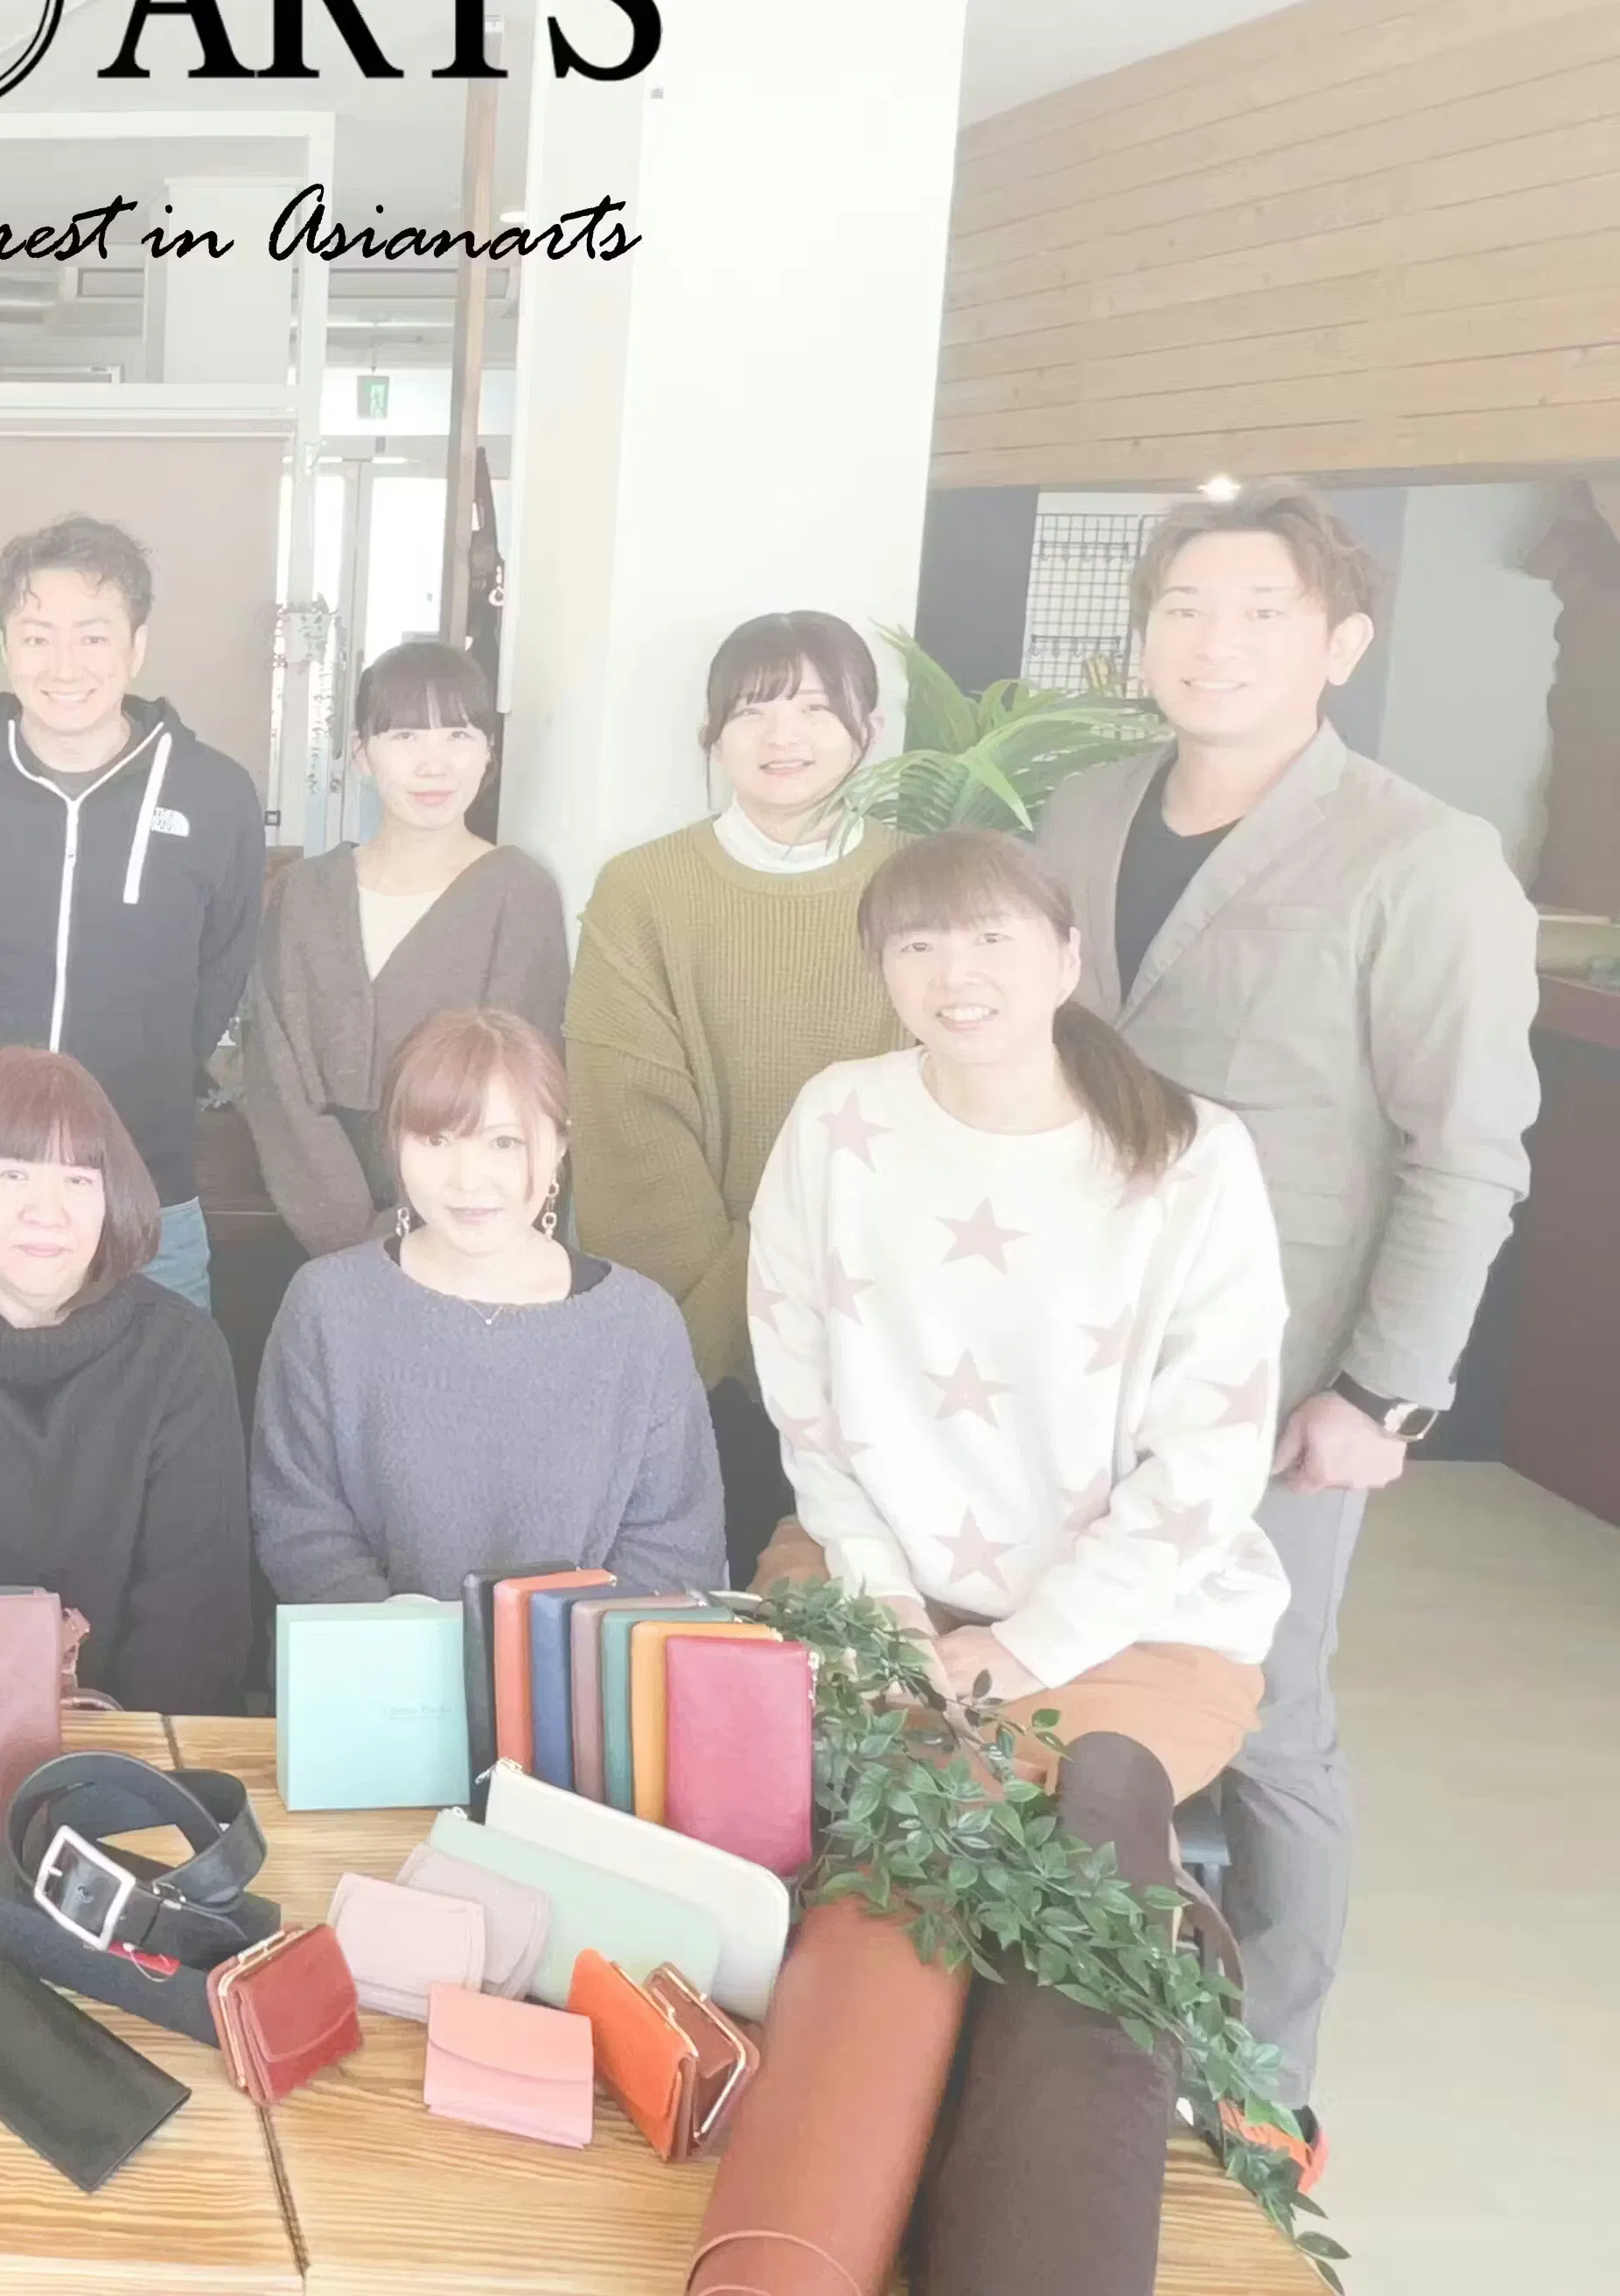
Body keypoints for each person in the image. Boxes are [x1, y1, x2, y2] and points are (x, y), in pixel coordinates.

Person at [1037, 479, 1537, 2135]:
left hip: (1282, 1383)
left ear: (1342, 642)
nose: (1216, 640)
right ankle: (1088, 2037)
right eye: (1185, 606)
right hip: (1069, 1359)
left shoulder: (1422, 855)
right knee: (1088, 1678)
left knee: (1268, 1715)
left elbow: (1467, 1151)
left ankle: (1259, 2085)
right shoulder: (1084, 811)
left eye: (1262, 610)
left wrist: (1382, 1391)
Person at [750, 829, 1298, 2292]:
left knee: (963, 1845)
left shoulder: (1190, 1157)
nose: (956, 973)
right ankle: (822, 2215)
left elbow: (1205, 1467)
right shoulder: (837, 1118)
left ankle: (995, 2218)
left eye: (991, 937)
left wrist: (1023, 1646)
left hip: (1134, 1622)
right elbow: (803, 1396)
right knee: (810, 1810)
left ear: (1065, 955)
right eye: (919, 943)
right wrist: (881, 1603)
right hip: (872, 1574)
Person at [566, 611, 907, 1576]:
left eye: (816, 708)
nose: (782, 734)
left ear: (870, 730)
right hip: (692, 1350)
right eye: (753, 709)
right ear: (712, 735)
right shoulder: (641, 890)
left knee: (862, 1614)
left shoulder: (921, 888)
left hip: (879, 1341)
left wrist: (822, 1305)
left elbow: (941, 1114)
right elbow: (627, 1121)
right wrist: (735, 1325)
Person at [0, 516, 267, 1309]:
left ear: (137, 647)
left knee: (161, 1381)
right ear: (6, 647)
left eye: (93, 637)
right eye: (38, 638)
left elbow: (217, 974)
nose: (64, 666)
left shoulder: (214, 795)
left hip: (139, 1174)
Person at [255, 1008, 724, 1605]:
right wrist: (415, 1644)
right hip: (380, 1660)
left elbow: (674, 1546)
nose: (468, 1179)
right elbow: (302, 1531)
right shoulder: (327, 1304)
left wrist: (557, 1649)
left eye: (504, 1142)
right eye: (436, 1140)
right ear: (395, 1144)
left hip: (591, 1662)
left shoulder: (641, 1322)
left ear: (560, 1144)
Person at [0, 1047, 253, 1713]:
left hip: (143, 1748)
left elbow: (195, 1631)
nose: (47, 1210)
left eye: (78, 1181)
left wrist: (108, 1758)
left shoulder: (183, 1354)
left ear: (111, 1199)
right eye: (13, 1175)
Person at [246, 638, 569, 1256]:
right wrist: (346, 1237)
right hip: (310, 1230)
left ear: (489, 752)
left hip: (467, 1225)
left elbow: (522, 1088)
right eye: (404, 736)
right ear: (362, 755)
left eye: (458, 735)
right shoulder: (304, 892)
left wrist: (417, 1233)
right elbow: (277, 1079)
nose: (433, 764)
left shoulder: (519, 892)